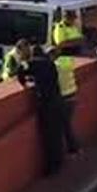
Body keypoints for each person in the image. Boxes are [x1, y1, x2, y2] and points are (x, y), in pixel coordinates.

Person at [24, 44, 67, 175]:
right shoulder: (50, 64)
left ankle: (51, 167)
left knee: (48, 136)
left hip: (46, 104)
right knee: (57, 133)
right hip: (57, 100)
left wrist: (26, 82)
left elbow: (21, 72)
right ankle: (58, 161)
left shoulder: (32, 63)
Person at [50, 45, 81, 156]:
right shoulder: (68, 61)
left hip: (64, 98)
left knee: (65, 126)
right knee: (67, 124)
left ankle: (73, 148)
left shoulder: (55, 66)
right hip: (73, 95)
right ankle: (73, 147)